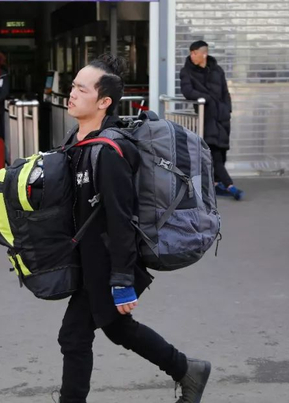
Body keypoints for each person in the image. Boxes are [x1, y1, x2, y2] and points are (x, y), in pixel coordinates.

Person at [57, 54, 210, 403]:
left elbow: (121, 217)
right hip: (89, 258)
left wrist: (123, 280)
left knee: (74, 336)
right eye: (73, 86)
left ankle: (187, 369)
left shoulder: (111, 151)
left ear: (104, 101)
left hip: (108, 261)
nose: (72, 93)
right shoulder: (76, 140)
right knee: (116, 329)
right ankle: (188, 370)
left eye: (82, 89)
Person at [180, 40, 243, 201]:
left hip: (222, 117)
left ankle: (215, 184)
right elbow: (187, 91)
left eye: (195, 53)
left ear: (204, 54)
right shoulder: (186, 71)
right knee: (213, 152)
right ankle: (230, 185)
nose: (192, 56)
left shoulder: (217, 70)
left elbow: (225, 92)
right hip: (206, 117)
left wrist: (227, 109)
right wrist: (206, 100)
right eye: (191, 53)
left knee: (222, 151)